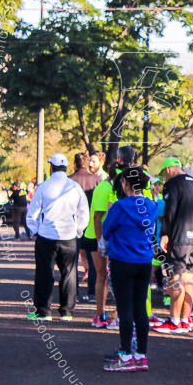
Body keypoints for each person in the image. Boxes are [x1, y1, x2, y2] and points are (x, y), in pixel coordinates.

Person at [101, 165, 158, 372]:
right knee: (140, 308)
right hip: (144, 261)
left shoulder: (119, 207)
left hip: (121, 260)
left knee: (124, 308)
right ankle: (141, 355)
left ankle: (125, 356)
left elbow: (106, 231)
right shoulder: (152, 206)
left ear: (124, 183)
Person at [25, 154, 89, 321]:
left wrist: (35, 231)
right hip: (69, 236)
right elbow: (84, 212)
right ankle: (67, 312)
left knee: (44, 273)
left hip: (46, 236)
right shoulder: (75, 187)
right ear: (66, 168)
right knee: (69, 273)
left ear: (51, 167)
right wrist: (79, 230)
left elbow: (33, 213)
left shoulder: (43, 187)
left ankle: (43, 311)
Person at [89, 146, 141, 329]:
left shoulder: (116, 188)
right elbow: (97, 217)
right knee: (103, 276)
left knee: (114, 278)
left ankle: (118, 315)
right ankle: (100, 314)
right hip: (100, 236)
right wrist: (100, 241)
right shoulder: (105, 187)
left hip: (118, 238)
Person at [154, 157, 193, 334]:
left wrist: (165, 234)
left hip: (179, 237)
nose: (163, 179)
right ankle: (184, 320)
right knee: (188, 277)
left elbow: (170, 210)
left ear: (169, 169)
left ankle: (174, 320)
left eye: (163, 175)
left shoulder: (173, 184)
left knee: (175, 276)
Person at [69, 152, 102, 300]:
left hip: (72, 226)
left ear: (75, 164)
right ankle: (92, 292)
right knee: (93, 261)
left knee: (72, 262)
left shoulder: (69, 180)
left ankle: (73, 293)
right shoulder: (96, 179)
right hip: (92, 225)